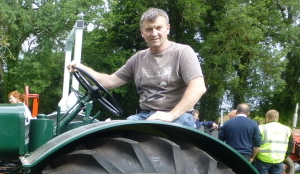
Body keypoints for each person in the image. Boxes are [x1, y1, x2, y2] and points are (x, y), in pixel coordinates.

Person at [67, 7, 206, 127]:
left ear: (167, 29)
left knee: (152, 136)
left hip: (178, 116)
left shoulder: (182, 52)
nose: (154, 33)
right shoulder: (138, 59)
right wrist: (83, 68)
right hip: (145, 116)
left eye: (158, 28)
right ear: (142, 33)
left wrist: (171, 115)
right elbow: (108, 82)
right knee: (115, 132)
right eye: (149, 29)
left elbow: (198, 87)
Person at [254, 110, 292, 174]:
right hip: (278, 159)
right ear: (278, 118)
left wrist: (254, 156)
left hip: (263, 158)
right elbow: (291, 145)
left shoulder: (261, 128)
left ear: (267, 118)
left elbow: (256, 142)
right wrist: (284, 156)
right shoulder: (287, 129)